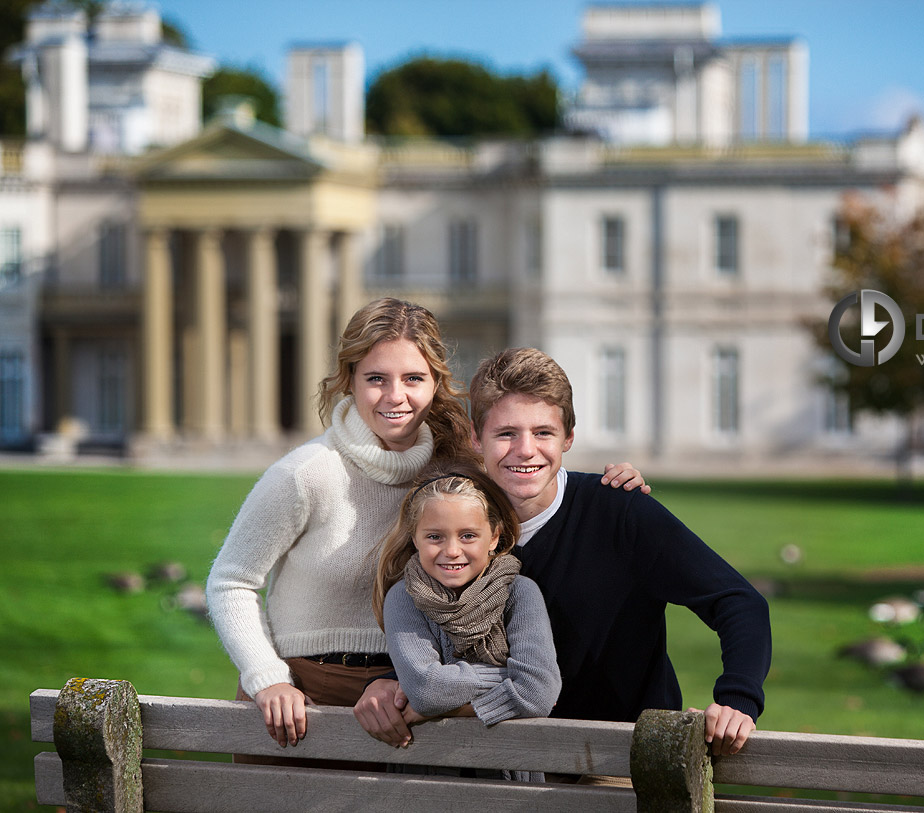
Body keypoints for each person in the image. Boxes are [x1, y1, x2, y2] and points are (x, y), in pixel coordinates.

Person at [205, 298, 645, 754]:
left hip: (415, 696)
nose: (396, 396)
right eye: (376, 378)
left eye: (413, 378)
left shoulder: (458, 472)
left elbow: (530, 478)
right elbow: (231, 580)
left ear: (436, 382)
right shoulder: (306, 474)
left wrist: (608, 487)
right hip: (301, 701)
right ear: (348, 381)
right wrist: (267, 679)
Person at [468, 347, 771, 757]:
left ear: (568, 438)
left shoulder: (619, 510)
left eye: (543, 433)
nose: (526, 450)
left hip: (625, 761)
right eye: (506, 434)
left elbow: (737, 601)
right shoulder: (455, 526)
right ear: (475, 437)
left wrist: (738, 698)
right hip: (505, 760)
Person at [373, 462, 560, 779]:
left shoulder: (519, 593)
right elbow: (426, 690)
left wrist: (455, 705)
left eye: (468, 535)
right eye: (435, 536)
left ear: (493, 537)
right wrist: (508, 677)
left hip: (510, 775)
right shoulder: (404, 598)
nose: (452, 550)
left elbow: (539, 692)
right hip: (427, 776)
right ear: (415, 539)